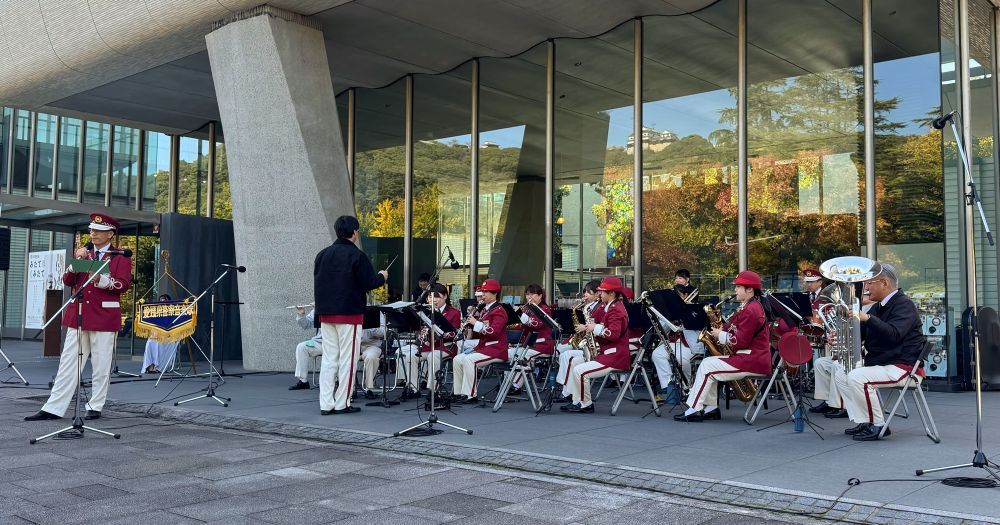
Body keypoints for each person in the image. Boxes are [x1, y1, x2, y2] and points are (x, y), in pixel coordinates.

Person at [26, 213, 132, 422]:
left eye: (98, 231)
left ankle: (95, 405)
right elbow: (67, 280)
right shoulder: (85, 253)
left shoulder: (121, 256)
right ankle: (54, 407)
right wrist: (76, 262)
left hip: (104, 316)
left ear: (110, 234)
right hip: (79, 315)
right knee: (68, 363)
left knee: (101, 364)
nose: (93, 234)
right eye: (92, 230)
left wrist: (104, 281)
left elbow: (124, 285)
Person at [835, 263, 925, 441]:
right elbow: (862, 333)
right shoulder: (880, 306)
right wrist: (840, 336)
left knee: (856, 377)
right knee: (841, 373)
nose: (866, 288)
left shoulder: (904, 305)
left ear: (884, 283)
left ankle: (878, 424)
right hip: (885, 363)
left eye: (869, 283)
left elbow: (894, 334)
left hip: (904, 367)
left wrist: (867, 318)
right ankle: (864, 421)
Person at [313, 215, 387, 415]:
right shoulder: (357, 256)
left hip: (326, 315)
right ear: (354, 233)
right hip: (349, 315)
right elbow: (369, 283)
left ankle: (325, 403)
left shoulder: (322, 254)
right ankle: (342, 403)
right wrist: (382, 276)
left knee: (329, 359)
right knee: (348, 359)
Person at [674, 270, 771, 422]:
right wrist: (720, 325)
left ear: (750, 290)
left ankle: (694, 408)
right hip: (749, 357)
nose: (735, 290)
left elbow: (742, 341)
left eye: (738, 287)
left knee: (707, 366)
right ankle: (711, 408)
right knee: (707, 364)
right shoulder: (748, 307)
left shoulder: (752, 310)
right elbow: (734, 328)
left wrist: (720, 334)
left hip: (752, 359)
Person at [562, 276, 630, 413]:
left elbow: (614, 334)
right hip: (607, 353)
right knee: (575, 364)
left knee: (580, 372)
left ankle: (585, 404)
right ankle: (576, 400)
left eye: (602, 291)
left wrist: (595, 328)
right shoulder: (609, 306)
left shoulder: (616, 310)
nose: (600, 294)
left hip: (615, 356)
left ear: (612, 293)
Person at [397, 283, 462, 395]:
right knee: (411, 356)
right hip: (429, 346)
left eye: (437, 297)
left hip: (446, 347)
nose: (434, 300)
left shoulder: (454, 312)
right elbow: (422, 329)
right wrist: (422, 334)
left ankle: (433, 389)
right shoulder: (426, 312)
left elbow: (454, 334)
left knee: (433, 356)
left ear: (445, 296)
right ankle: (412, 388)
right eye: (431, 297)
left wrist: (441, 334)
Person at [452, 279, 508, 403]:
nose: (483, 294)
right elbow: (479, 331)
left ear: (495, 294)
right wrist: (470, 324)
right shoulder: (484, 310)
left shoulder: (499, 311)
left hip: (496, 350)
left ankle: (471, 395)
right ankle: (459, 393)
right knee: (457, 359)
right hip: (484, 348)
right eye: (482, 291)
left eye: (486, 292)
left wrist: (476, 323)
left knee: (469, 360)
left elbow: (494, 332)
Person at [553, 279, 601, 402]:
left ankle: (567, 391)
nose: (585, 294)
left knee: (569, 357)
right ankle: (566, 391)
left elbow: (600, 325)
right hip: (587, 343)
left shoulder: (600, 307)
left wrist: (584, 327)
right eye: (585, 292)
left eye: (588, 292)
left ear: (597, 294)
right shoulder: (588, 307)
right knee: (564, 355)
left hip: (597, 348)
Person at [507, 284, 555, 394]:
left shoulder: (544, 310)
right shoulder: (528, 309)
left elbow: (535, 324)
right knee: (508, 354)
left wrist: (520, 313)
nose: (529, 297)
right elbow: (524, 325)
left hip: (542, 346)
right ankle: (507, 382)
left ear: (540, 296)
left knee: (523, 357)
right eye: (527, 294)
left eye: (532, 294)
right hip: (529, 345)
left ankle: (515, 385)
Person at [141, 294, 180, 374]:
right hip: (157, 335)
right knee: (150, 343)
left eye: (165, 301)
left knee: (159, 344)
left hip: (169, 336)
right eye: (161, 301)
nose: (163, 303)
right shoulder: (157, 312)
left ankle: (158, 367)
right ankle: (150, 366)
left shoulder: (173, 312)